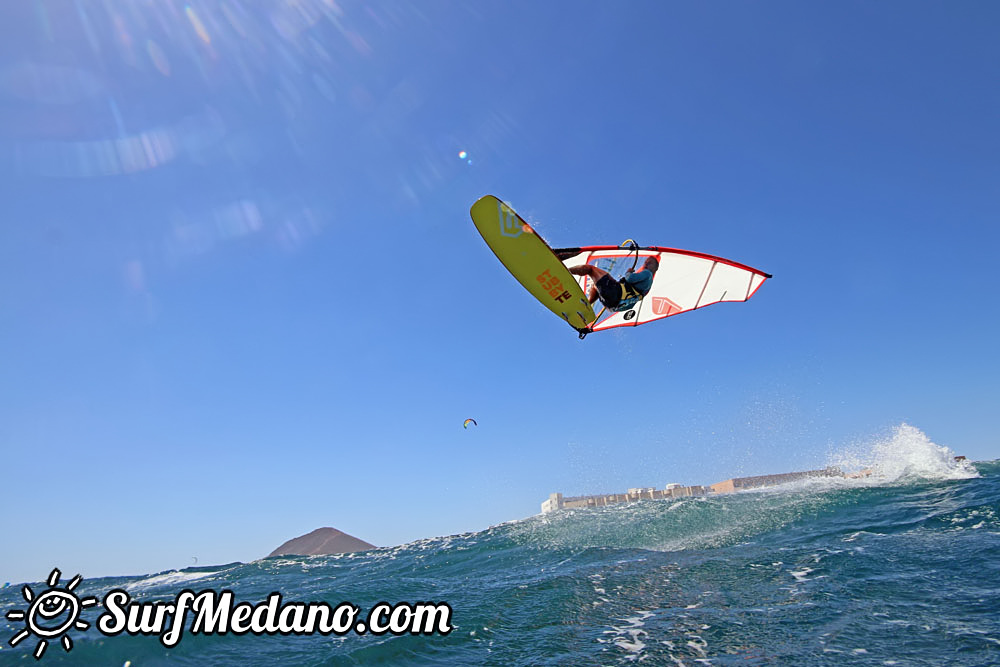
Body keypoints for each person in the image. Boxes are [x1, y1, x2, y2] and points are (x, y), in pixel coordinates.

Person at [568, 255, 659, 312]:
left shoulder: (648, 273)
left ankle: (566, 271)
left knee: (590, 269)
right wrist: (613, 308)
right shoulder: (647, 289)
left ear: (654, 268)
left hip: (615, 293)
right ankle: (586, 306)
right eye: (645, 262)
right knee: (596, 285)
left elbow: (629, 279)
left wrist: (629, 272)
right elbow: (630, 305)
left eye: (649, 263)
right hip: (613, 305)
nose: (645, 264)